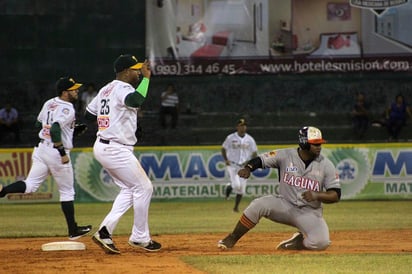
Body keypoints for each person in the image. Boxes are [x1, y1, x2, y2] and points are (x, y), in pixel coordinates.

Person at [218, 126, 341, 251]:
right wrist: (248, 168)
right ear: (304, 143)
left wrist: (317, 195)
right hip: (285, 205)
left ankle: (298, 244)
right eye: (315, 144)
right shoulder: (286, 155)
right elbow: (260, 160)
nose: (319, 147)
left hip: (309, 213)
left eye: (320, 143)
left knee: (321, 242)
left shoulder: (326, 165)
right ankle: (232, 238)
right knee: (258, 205)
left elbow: (335, 195)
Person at [86, 54, 161, 254]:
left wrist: (112, 121)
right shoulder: (123, 88)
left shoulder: (105, 89)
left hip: (105, 144)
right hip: (115, 148)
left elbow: (89, 113)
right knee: (144, 187)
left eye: (140, 70)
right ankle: (140, 237)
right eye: (136, 69)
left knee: (130, 190)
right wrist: (146, 79)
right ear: (126, 71)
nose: (138, 72)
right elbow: (136, 100)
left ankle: (104, 231)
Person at [0, 77, 92, 240]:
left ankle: (3, 191)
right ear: (65, 92)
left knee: (30, 185)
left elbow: (39, 124)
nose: (77, 91)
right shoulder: (68, 108)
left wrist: (69, 131)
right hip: (56, 152)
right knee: (67, 192)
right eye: (73, 89)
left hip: (42, 148)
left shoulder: (49, 103)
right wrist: (62, 152)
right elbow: (55, 129)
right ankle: (73, 230)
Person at [221, 118, 258, 212]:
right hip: (232, 165)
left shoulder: (250, 139)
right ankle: (230, 186)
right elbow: (223, 148)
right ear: (237, 127)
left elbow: (254, 153)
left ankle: (236, 207)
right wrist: (226, 160)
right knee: (237, 185)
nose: (243, 127)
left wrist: (250, 162)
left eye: (245, 125)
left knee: (241, 190)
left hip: (244, 166)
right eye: (241, 125)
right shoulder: (230, 137)